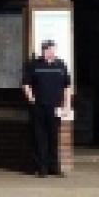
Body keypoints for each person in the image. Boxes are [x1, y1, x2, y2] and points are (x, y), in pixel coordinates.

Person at [21, 39, 71, 178]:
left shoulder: (60, 65)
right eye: (46, 49)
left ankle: (54, 167)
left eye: (51, 49)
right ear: (42, 51)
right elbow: (26, 84)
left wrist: (67, 105)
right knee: (39, 137)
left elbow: (67, 86)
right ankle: (41, 168)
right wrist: (31, 99)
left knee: (53, 138)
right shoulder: (34, 65)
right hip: (39, 107)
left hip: (55, 107)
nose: (49, 52)